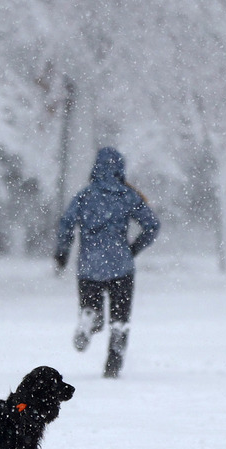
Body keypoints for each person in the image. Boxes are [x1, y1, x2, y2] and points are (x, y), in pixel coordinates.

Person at [54, 147, 160, 378]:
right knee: (119, 317)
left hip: (89, 266)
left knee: (93, 308)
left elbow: (66, 224)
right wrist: (134, 248)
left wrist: (62, 252)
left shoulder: (84, 196)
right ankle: (113, 364)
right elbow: (152, 226)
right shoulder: (128, 196)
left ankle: (89, 319)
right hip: (121, 265)